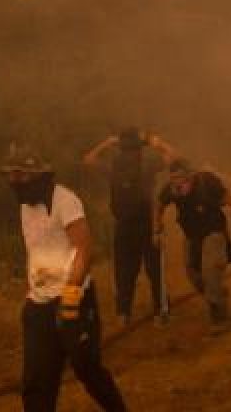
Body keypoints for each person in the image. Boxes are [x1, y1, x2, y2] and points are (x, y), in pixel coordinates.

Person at [0, 143, 127, 412]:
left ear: (38, 175)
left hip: (73, 300)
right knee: (36, 382)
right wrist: (32, 291)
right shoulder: (25, 206)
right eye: (10, 175)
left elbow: (83, 250)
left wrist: (70, 296)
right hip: (39, 305)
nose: (14, 181)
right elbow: (37, 250)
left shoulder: (65, 201)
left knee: (86, 367)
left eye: (20, 175)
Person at [82, 127, 177, 326]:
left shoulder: (114, 168)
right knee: (154, 269)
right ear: (139, 148)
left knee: (124, 270)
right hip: (147, 223)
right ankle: (160, 311)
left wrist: (107, 143)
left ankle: (124, 313)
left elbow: (88, 160)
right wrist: (154, 141)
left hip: (124, 224)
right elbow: (173, 156)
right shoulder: (146, 164)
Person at [155, 159, 231, 334]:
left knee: (210, 270)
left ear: (192, 176)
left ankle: (219, 318)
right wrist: (156, 228)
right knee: (194, 274)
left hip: (214, 232)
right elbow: (158, 205)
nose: (177, 183)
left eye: (181, 178)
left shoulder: (207, 184)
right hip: (192, 236)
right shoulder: (171, 190)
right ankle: (217, 293)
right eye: (173, 178)